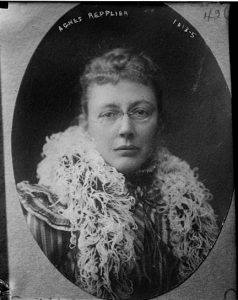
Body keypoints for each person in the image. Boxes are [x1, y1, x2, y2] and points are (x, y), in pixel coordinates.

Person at [17, 48, 219, 300]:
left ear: (161, 123)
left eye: (140, 112)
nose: (126, 129)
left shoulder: (193, 211)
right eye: (109, 114)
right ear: (85, 124)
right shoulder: (46, 211)